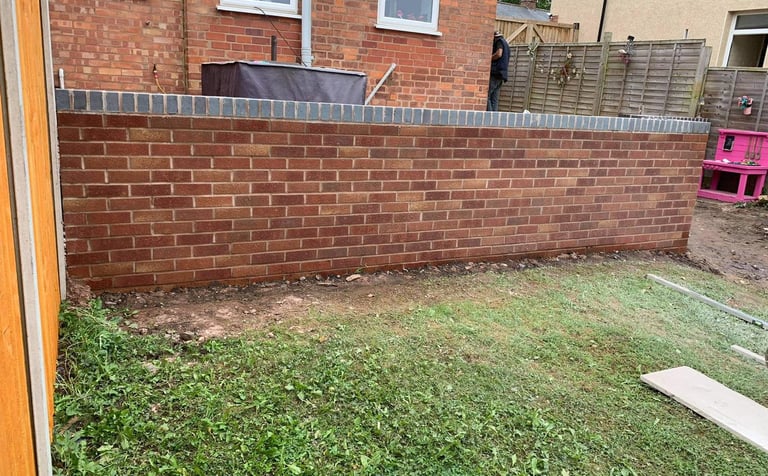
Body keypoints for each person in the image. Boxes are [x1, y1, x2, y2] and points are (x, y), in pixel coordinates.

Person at [487, 31, 510, 112]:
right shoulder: (506, 43)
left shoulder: (499, 41)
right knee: (494, 98)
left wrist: (489, 58)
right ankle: (494, 120)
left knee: (487, 96)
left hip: (496, 72)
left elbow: (499, 54)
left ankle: (489, 117)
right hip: (502, 74)